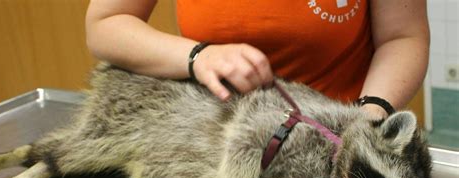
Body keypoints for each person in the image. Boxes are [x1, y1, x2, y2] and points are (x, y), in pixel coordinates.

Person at [85, 0, 429, 120]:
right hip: (219, 136)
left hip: (338, 134)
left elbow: (403, 37)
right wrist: (197, 56)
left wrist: (365, 118)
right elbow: (106, 24)